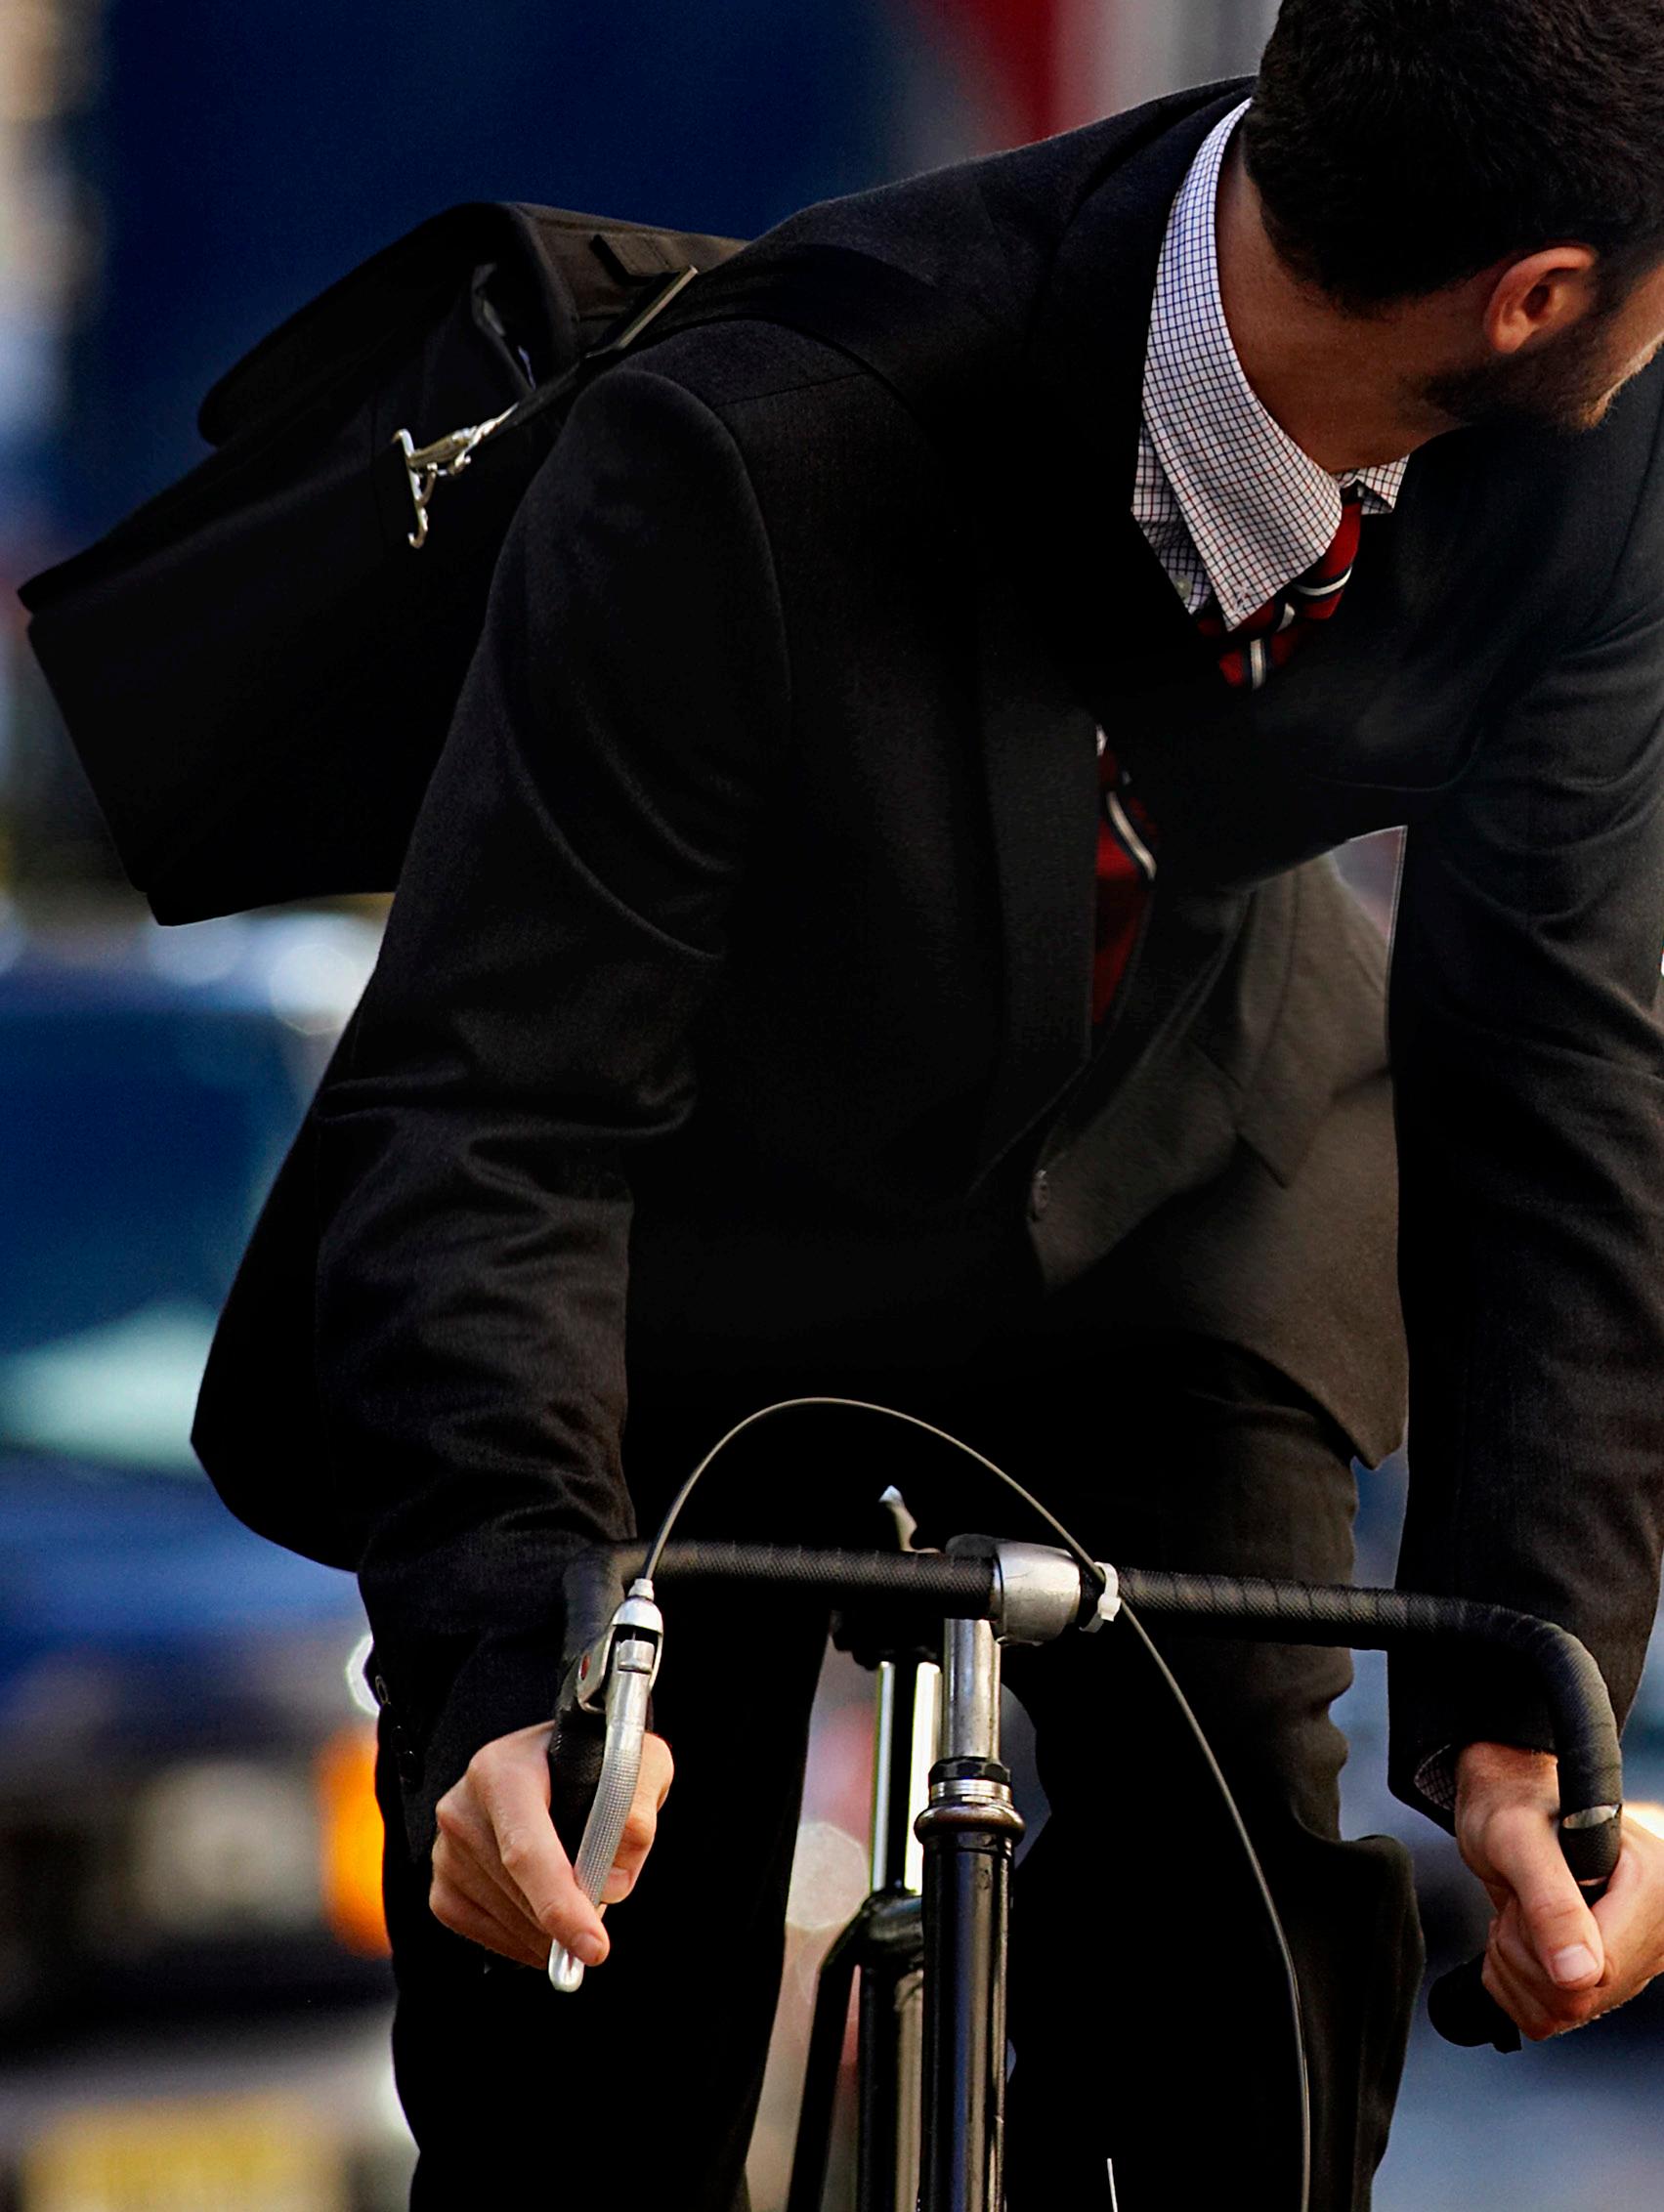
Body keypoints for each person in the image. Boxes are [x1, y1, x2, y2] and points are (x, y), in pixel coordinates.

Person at [197, 2, 1664, 2204]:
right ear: (1537, 295)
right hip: (698, 1234)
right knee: (584, 2002)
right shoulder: (748, 439)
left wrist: (1535, 1711)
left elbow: (1557, 1055)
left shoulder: (1601, 457)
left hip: (1188, 1175)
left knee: (1245, 1976)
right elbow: (498, 1094)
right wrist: (506, 1656)